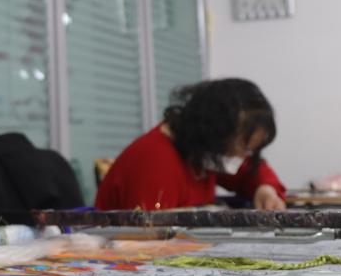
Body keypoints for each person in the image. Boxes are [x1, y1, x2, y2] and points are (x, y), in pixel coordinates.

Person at [94, 78, 286, 212]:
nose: (243, 156)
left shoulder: (199, 152)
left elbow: (251, 171)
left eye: (250, 150)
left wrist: (265, 188)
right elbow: (146, 240)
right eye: (242, 147)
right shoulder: (156, 164)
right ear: (215, 133)